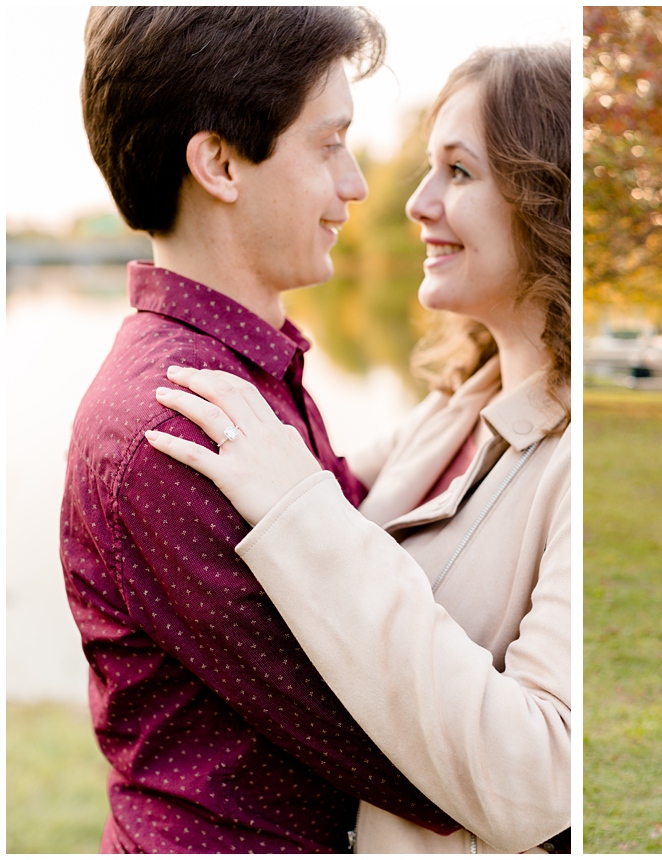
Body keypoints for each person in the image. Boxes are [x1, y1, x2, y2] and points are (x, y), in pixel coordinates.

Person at [145, 45, 573, 853]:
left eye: (459, 172)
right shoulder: (456, 411)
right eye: (428, 168)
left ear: (547, 200)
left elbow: (540, 783)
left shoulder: (577, 465)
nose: (415, 203)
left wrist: (298, 509)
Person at [60, 7, 457, 851]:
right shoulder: (178, 429)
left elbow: (351, 525)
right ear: (221, 164)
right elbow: (400, 748)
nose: (354, 184)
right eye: (329, 143)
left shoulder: (240, 372)